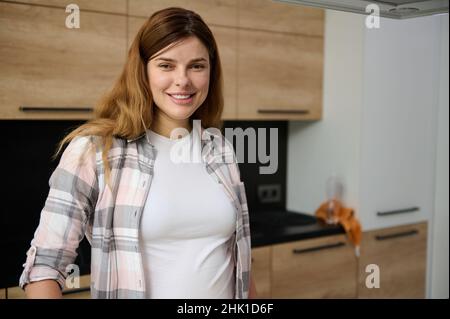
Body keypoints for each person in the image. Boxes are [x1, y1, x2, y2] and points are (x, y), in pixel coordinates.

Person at [19, 7, 256, 299]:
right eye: (166, 65)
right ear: (142, 70)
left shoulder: (220, 149)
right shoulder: (94, 151)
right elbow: (45, 267)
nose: (183, 80)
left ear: (211, 71)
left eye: (197, 66)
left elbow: (240, 265)